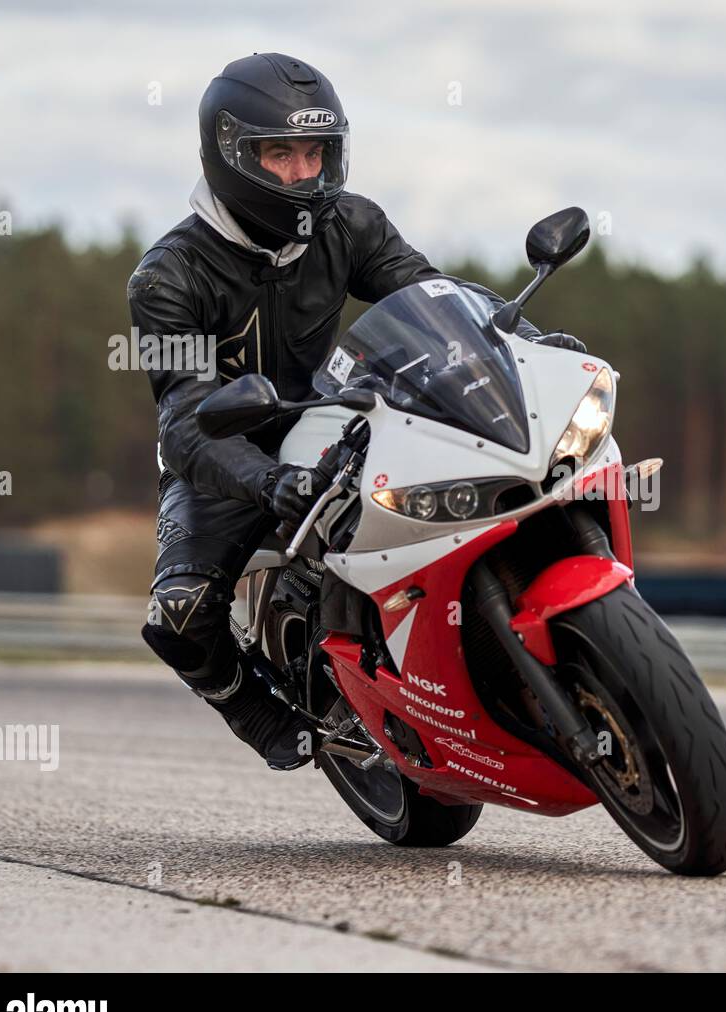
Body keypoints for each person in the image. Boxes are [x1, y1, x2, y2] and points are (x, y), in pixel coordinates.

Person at [129, 53, 585, 769]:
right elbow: (182, 420)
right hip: (225, 449)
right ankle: (249, 708)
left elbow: (435, 295)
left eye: (316, 152)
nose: (304, 173)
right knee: (180, 609)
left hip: (331, 413)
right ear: (229, 153)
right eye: (280, 154)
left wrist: (527, 342)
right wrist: (264, 480)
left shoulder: (352, 223)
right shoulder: (169, 276)